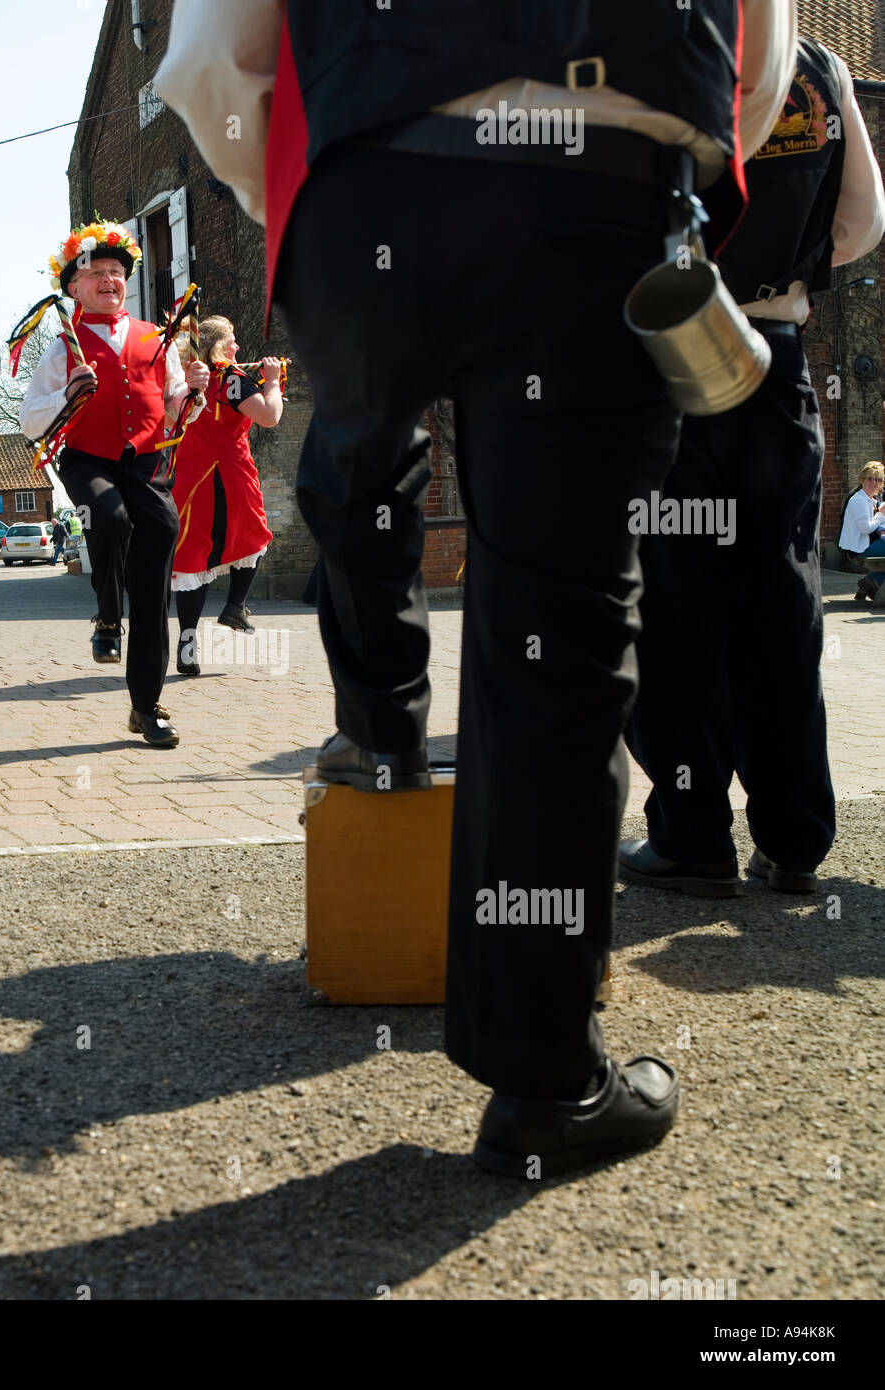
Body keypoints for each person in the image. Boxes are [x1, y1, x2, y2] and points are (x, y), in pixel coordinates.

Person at [158, 0, 796, 1176]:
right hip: (594, 183)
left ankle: (376, 732)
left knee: (356, 478)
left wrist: (324, 184)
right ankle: (543, 1072)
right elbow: (751, 66)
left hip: (367, 194)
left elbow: (205, 59)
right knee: (556, 615)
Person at [622, 40, 885, 899]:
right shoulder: (821, 65)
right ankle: (794, 836)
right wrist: (785, 278)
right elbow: (862, 224)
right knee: (781, 596)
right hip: (776, 356)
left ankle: (694, 837)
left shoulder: (640, 44)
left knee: (674, 601)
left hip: (666, 356)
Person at [19, 221, 209, 748]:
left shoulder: (156, 338)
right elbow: (30, 420)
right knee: (108, 516)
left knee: (159, 545)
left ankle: (145, 706)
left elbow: (175, 410)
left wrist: (192, 392)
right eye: (95, 273)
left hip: (144, 461)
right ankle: (106, 614)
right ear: (73, 287)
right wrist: (67, 397)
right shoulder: (62, 348)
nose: (108, 280)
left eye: (116, 272)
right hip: (86, 459)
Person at [171, 316, 282, 676]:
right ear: (217, 345)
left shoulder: (186, 378)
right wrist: (272, 383)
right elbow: (269, 416)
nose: (236, 347)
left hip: (189, 477)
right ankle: (235, 605)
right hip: (228, 474)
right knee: (255, 536)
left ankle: (188, 642)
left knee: (193, 558)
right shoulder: (231, 378)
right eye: (231, 341)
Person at [841, 461, 885, 601]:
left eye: (877, 479)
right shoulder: (858, 500)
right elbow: (866, 529)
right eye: (870, 478)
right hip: (858, 547)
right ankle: (874, 584)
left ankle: (871, 581)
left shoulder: (872, 500)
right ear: (862, 479)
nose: (873, 482)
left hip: (867, 543)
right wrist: (881, 514)